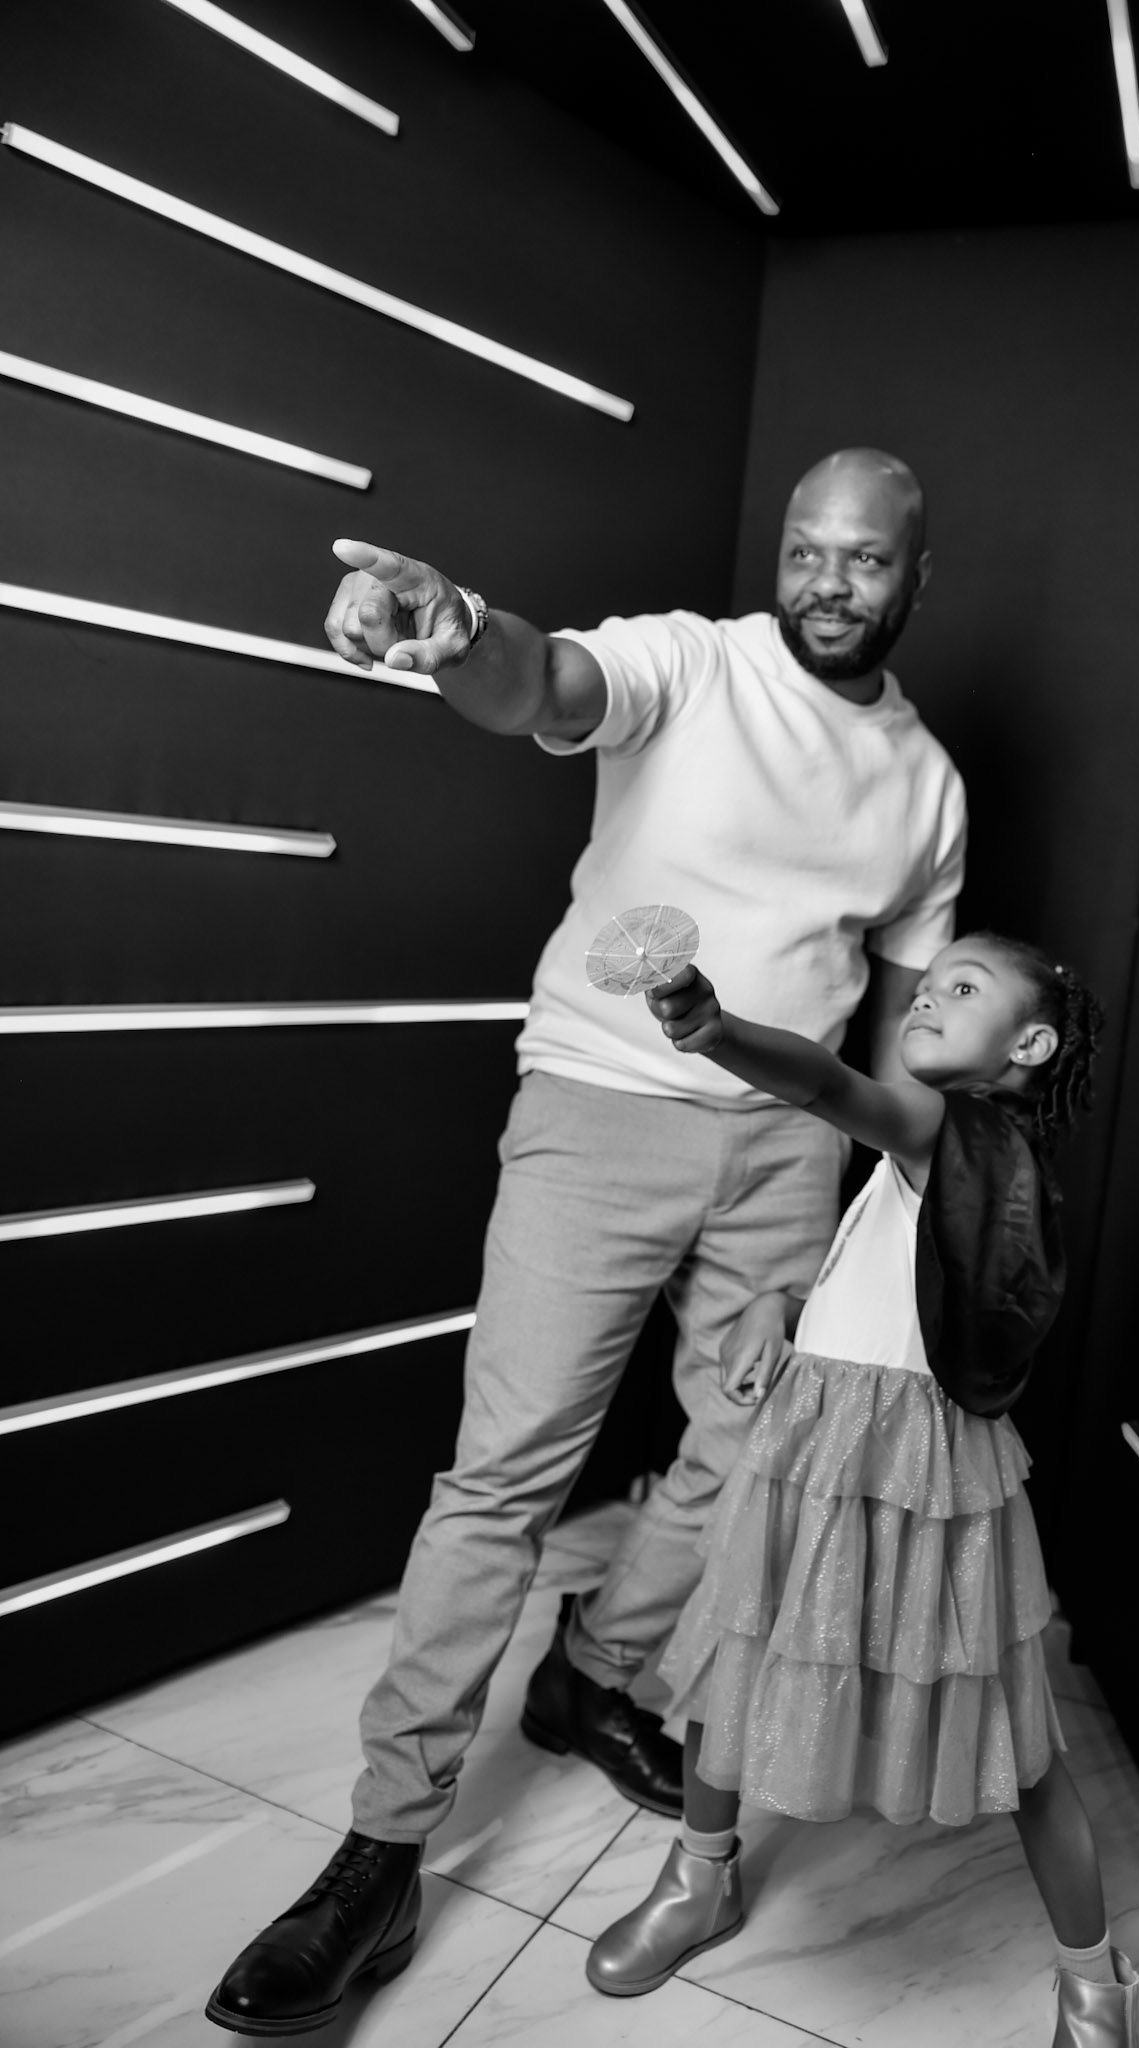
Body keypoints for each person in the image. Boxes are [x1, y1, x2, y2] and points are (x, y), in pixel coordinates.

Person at [206, 450, 967, 2036]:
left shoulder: (927, 786)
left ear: (914, 575)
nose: (828, 583)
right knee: (502, 1480)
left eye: (863, 559)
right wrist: (455, 624)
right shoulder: (693, 661)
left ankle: (596, 1672)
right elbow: (543, 680)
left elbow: (905, 1035)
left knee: (748, 1459)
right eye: (807, 551)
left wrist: (890, 1205)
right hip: (597, 1113)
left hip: (786, 1143)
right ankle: (380, 1853)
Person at [585, 935, 1138, 2048]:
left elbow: (831, 1086)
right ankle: (700, 1877)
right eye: (925, 985)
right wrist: (779, 1305)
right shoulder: (949, 1157)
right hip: (825, 1440)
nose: (926, 997)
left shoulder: (948, 1129)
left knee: (1005, 1731)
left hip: (900, 1463)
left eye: (963, 989)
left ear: (1029, 1045)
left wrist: (719, 1031)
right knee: (740, 1656)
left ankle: (1094, 1977)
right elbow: (889, 1284)